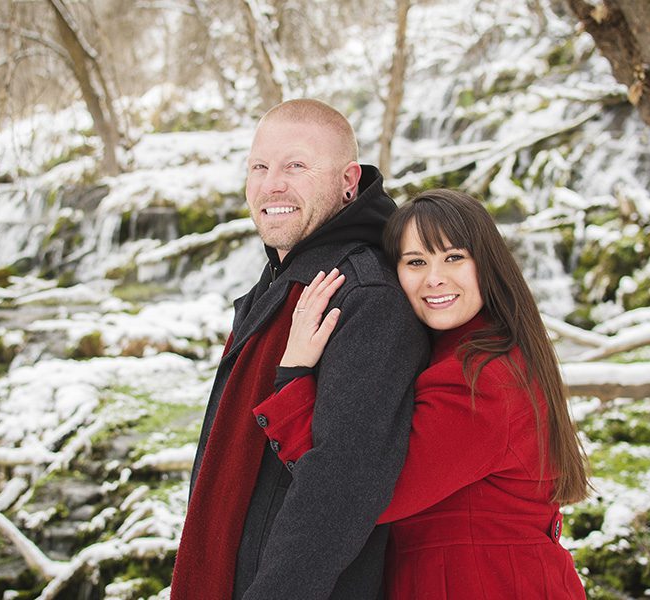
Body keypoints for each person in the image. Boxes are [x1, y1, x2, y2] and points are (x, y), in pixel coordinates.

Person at [255, 189, 590, 599]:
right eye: (416, 261)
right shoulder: (477, 349)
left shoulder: (482, 381)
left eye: (453, 257)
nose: (435, 278)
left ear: (486, 263)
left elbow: (360, 495)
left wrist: (295, 376)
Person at [170, 99, 430, 600]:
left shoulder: (363, 296)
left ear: (348, 181)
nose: (272, 185)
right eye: (260, 167)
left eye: (296, 166)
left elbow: (339, 489)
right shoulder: (286, 278)